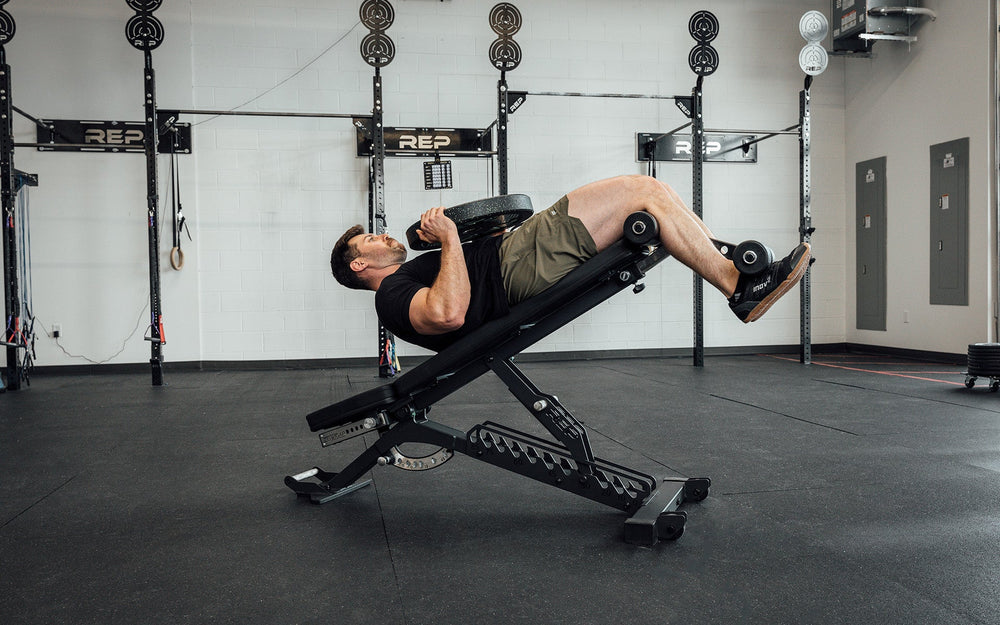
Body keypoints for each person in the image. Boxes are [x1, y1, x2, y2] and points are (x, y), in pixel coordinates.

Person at [330, 175, 811, 352]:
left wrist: (480, 232)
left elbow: (460, 281)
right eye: (373, 239)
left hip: (515, 256)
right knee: (642, 193)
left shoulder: (411, 274)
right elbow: (448, 313)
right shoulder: (391, 298)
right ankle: (738, 284)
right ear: (358, 266)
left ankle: (738, 276)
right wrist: (452, 238)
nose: (386, 236)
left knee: (653, 195)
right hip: (517, 268)